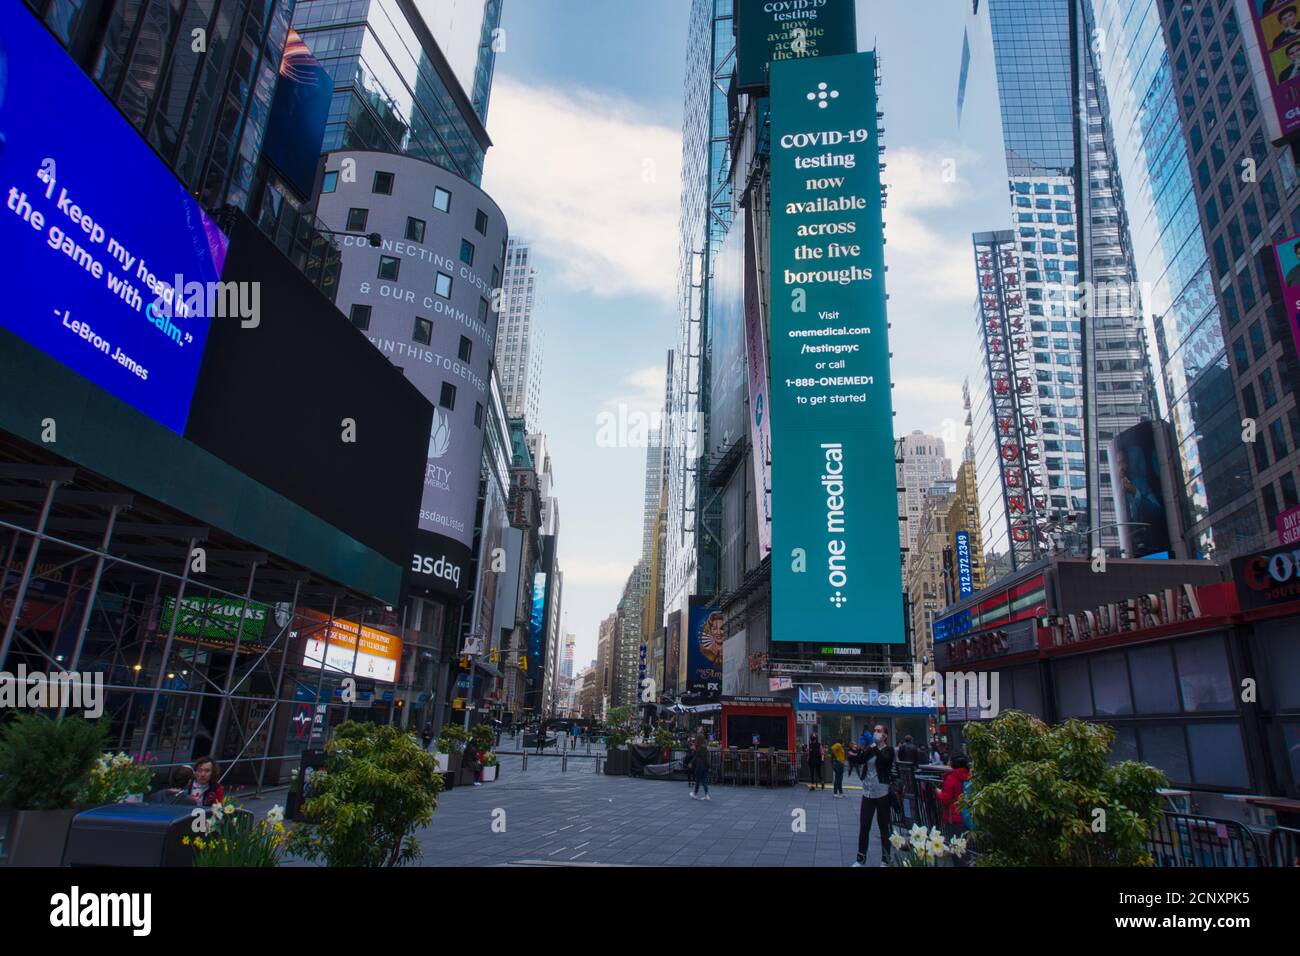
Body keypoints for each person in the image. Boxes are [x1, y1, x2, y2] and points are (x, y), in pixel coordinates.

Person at [853, 725, 895, 867]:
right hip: (868, 792)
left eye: (879, 731)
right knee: (864, 826)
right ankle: (860, 858)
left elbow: (884, 761)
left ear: (885, 736)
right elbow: (860, 760)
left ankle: (885, 859)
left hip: (882, 792)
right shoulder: (871, 749)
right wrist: (859, 749)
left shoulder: (889, 750)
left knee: (884, 827)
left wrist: (873, 746)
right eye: (874, 731)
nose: (876, 733)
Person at [937, 753, 972, 846]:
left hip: (953, 816)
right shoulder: (970, 776)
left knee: (955, 846)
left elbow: (945, 798)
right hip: (968, 815)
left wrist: (937, 793)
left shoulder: (951, 777)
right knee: (966, 845)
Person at [690, 733, 711, 801]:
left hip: (700, 766)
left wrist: (691, 763)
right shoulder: (705, 747)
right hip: (706, 765)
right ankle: (707, 795)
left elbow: (696, 756)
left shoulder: (699, 748)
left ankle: (695, 794)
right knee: (704, 780)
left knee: (698, 780)